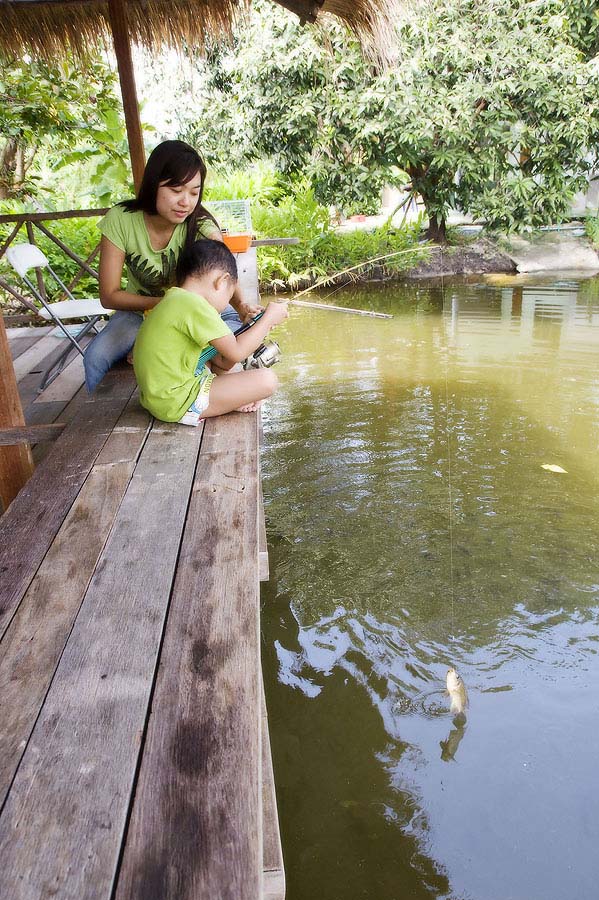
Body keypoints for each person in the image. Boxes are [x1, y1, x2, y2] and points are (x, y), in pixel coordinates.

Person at [84, 140, 260, 393]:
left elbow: (225, 275)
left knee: (229, 344)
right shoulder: (121, 220)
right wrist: (166, 306)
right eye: (176, 190)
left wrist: (242, 306)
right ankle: (96, 422)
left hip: (201, 314)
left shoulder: (201, 227)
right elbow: (109, 296)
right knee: (95, 357)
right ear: (154, 183)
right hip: (139, 314)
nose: (185, 202)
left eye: (193, 192)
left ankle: (208, 400)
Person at [133, 239, 289, 425]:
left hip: (160, 399)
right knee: (267, 380)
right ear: (221, 281)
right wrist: (268, 319)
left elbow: (222, 363)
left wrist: (254, 327)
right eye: (229, 295)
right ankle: (214, 405)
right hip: (176, 402)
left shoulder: (176, 299)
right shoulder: (194, 305)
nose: (225, 304)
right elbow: (238, 352)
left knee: (224, 370)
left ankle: (224, 402)